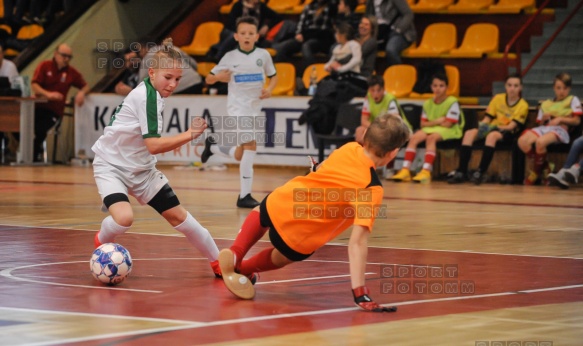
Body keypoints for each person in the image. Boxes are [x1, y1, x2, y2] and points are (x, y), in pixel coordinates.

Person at [217, 113, 410, 311]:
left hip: (283, 202)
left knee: (263, 209)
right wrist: (360, 292)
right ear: (393, 153)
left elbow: (319, 169)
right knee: (282, 256)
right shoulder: (371, 188)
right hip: (300, 236)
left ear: (366, 134)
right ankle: (243, 269)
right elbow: (358, 242)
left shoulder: (350, 148)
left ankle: (235, 252)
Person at [91, 38, 222, 278]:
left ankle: (219, 263)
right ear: (151, 73)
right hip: (111, 166)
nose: (173, 84)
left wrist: (167, 49)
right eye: (168, 77)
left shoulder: (153, 91)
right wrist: (190, 135)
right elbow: (153, 146)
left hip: (142, 170)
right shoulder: (147, 98)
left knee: (178, 216)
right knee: (123, 219)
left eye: (177, 79)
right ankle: (101, 239)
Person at [203, 16, 278, 208]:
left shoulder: (263, 55)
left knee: (240, 153)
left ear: (256, 36)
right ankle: (244, 196)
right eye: (243, 33)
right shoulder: (229, 57)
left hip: (254, 108)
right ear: (236, 36)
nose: (247, 36)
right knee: (251, 145)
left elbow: (273, 76)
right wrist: (219, 77)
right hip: (237, 108)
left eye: (251, 33)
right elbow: (208, 79)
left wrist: (269, 90)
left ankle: (212, 147)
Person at [448, 74, 529, 185]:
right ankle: (462, 171)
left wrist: (493, 128)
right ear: (505, 86)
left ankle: (480, 172)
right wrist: (481, 126)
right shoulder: (498, 98)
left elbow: (511, 127)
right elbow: (487, 118)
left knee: (492, 135)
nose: (512, 88)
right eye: (509, 85)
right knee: (469, 133)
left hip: (508, 132)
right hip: (491, 127)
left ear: (521, 88)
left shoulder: (523, 105)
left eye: (516, 86)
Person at [392, 72, 464, 184]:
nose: (438, 89)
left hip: (451, 130)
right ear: (431, 87)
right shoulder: (427, 103)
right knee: (414, 138)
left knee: (431, 138)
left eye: (441, 86)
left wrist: (432, 123)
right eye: (435, 86)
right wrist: (439, 120)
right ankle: (405, 170)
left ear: (447, 87)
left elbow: (448, 124)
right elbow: (423, 124)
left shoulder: (452, 102)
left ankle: (426, 171)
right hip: (434, 127)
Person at [517, 72, 582, 185]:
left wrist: (560, 119)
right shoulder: (546, 104)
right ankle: (546, 166)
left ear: (569, 88)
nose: (561, 91)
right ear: (553, 88)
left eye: (565, 88)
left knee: (540, 142)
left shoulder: (572, 99)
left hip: (560, 130)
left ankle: (535, 173)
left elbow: (577, 121)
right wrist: (544, 120)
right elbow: (539, 123)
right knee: (522, 141)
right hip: (545, 128)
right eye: (558, 88)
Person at [31, 43, 90, 163]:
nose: (66, 59)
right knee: (20, 125)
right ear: (56, 54)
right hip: (37, 108)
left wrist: (81, 93)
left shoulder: (71, 72)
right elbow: (35, 84)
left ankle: (34, 155)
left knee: (40, 128)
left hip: (54, 111)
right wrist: (48, 95)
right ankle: (29, 152)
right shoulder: (44, 66)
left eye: (69, 57)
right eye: (64, 55)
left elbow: (85, 86)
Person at [274, 0, 337, 76]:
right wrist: (298, 34)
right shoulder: (309, 7)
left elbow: (324, 31)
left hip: (320, 39)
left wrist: (305, 36)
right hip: (304, 37)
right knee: (285, 47)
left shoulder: (330, 8)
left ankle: (313, 75)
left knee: (306, 46)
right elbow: (300, 23)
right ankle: (277, 76)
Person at [212, 0, 282, 61]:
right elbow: (231, 24)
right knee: (234, 36)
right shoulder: (238, 6)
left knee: (241, 47)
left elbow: (278, 17)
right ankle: (219, 57)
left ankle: (218, 52)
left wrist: (267, 26)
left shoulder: (261, 7)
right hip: (232, 32)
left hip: (249, 38)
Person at [139, 39, 203, 95]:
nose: (139, 54)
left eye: (139, 51)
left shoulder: (148, 57)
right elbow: (194, 64)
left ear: (144, 48)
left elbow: (142, 84)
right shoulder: (173, 48)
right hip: (196, 81)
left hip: (180, 88)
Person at [365, 0, 416, 67]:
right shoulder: (370, 1)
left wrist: (399, 29)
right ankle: (368, 74)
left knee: (391, 49)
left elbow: (408, 14)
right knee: (365, 48)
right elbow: (367, 17)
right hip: (379, 33)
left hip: (398, 32)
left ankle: (398, 74)